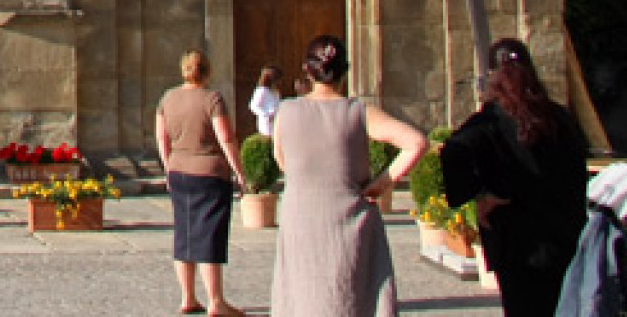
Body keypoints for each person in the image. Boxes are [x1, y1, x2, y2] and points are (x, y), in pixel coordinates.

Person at [269, 34, 428, 317]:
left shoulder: (286, 111)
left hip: (301, 218)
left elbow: (283, 162)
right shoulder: (359, 112)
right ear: (345, 71)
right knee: (349, 297)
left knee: (301, 296)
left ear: (308, 70)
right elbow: (416, 143)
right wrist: (381, 184)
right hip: (348, 216)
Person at [441, 37, 590, 317]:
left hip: (514, 240)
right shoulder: (558, 118)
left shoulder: (489, 123)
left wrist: (478, 194)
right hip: (560, 234)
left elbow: (453, 152)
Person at [156, 49, 249, 317]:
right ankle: (216, 301)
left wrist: (168, 166)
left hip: (179, 171)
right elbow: (226, 137)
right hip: (210, 173)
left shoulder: (168, 98)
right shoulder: (212, 99)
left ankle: (187, 297)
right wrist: (239, 171)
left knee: (184, 234)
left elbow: (162, 138)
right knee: (209, 235)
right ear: (207, 71)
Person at [250, 66, 284, 140]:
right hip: (267, 123)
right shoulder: (262, 91)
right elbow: (253, 106)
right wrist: (267, 115)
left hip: (277, 121)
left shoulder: (276, 92)